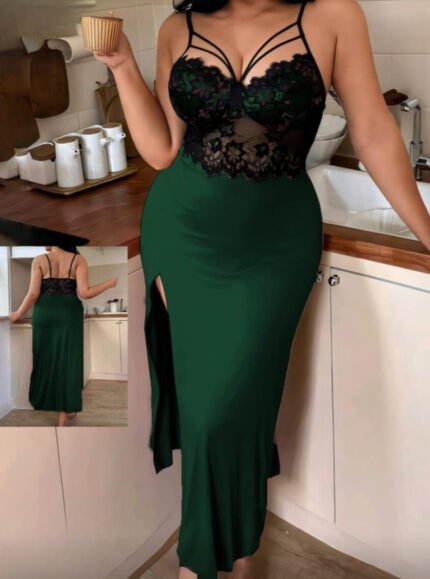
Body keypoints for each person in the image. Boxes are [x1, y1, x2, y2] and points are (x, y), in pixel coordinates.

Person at [93, 1, 430, 577]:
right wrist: (123, 64)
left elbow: (374, 133)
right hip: (183, 237)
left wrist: (427, 234)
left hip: (274, 250)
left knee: (237, 404)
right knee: (210, 412)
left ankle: (216, 554)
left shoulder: (333, 16)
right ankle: (228, 555)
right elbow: (163, 149)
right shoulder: (178, 28)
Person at [9, 246, 118, 427]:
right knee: (68, 362)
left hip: (45, 313)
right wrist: (109, 283)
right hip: (69, 314)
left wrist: (17, 314)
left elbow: (33, 294)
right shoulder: (78, 260)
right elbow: (84, 293)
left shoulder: (39, 260)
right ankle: (66, 410)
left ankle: (55, 404)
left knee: (46, 359)